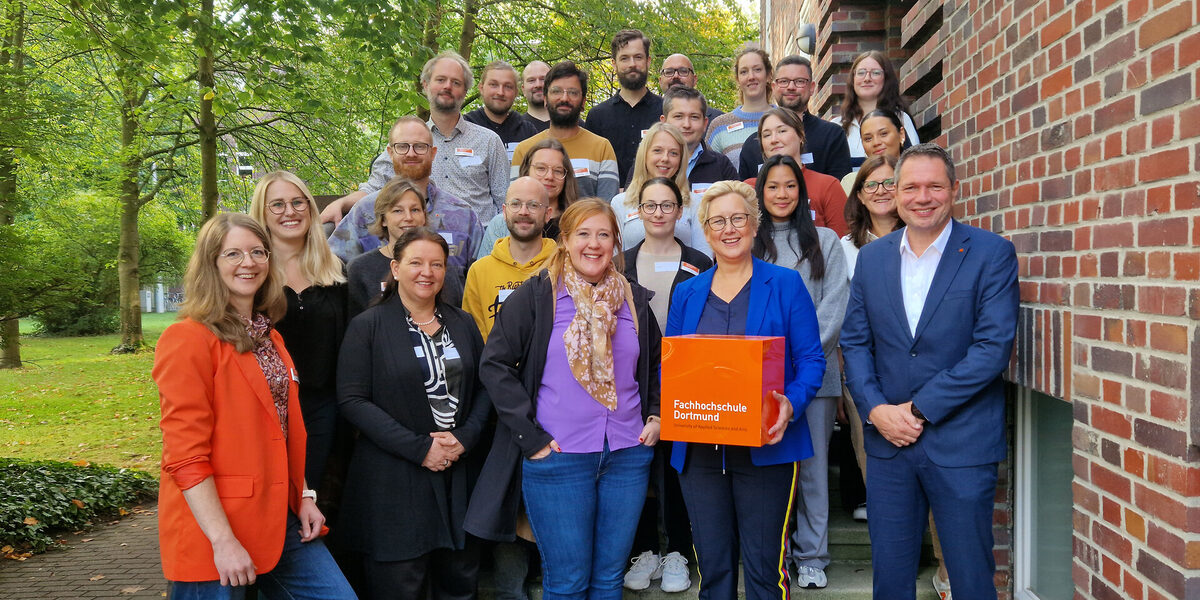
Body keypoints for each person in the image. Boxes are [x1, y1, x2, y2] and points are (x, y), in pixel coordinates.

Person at [840, 143, 1019, 600]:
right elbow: (856, 343)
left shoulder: (991, 253)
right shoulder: (873, 259)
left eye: (935, 186)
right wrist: (877, 409)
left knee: (971, 576)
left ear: (954, 190)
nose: (923, 197)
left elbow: (992, 349)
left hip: (961, 442)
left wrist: (917, 411)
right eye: (912, 187)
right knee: (892, 577)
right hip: (888, 446)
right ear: (896, 193)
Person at [464, 199, 663, 599]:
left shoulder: (634, 300)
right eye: (583, 234)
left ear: (615, 243)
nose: (594, 244)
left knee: (609, 580)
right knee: (568, 582)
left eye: (603, 234)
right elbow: (495, 364)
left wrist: (656, 416)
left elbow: (658, 364)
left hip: (627, 453)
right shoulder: (537, 296)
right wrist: (530, 437)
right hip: (559, 457)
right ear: (565, 240)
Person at [154, 213, 356, 599]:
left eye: (257, 252)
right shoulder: (188, 339)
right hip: (213, 532)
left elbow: (282, 429)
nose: (248, 263)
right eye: (233, 254)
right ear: (210, 264)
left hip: (280, 517)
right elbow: (184, 456)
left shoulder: (270, 338)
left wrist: (305, 495)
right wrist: (222, 540)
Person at [665, 181, 825, 600]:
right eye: (718, 220)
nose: (729, 228)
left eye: (738, 218)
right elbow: (675, 365)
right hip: (700, 451)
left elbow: (811, 361)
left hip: (767, 448)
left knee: (763, 571)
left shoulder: (786, 284)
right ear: (706, 229)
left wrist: (792, 401)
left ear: (755, 225)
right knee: (713, 573)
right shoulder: (687, 292)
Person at [336, 227, 491, 600]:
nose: (427, 272)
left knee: (459, 582)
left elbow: (486, 388)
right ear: (396, 267)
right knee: (401, 586)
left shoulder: (463, 323)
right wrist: (420, 448)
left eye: (436, 264)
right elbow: (352, 400)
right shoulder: (367, 327)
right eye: (416, 262)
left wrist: (464, 438)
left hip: (458, 477)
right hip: (394, 481)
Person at [751, 154, 848, 589]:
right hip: (760, 378)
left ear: (801, 191)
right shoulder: (749, 240)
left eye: (790, 185)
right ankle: (777, 551)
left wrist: (801, 363)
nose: (782, 194)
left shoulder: (825, 240)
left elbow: (834, 307)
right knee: (768, 467)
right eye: (773, 186)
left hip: (815, 377)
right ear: (761, 192)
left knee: (812, 467)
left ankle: (812, 555)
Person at [619, 176, 711, 593]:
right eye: (650, 205)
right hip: (631, 376)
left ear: (680, 210)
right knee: (635, 461)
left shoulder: (699, 261)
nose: (658, 213)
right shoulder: (620, 262)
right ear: (637, 210)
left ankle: (677, 550)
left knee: (677, 464)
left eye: (667, 205)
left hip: (684, 376)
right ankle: (644, 549)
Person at [248, 171, 349, 497]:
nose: (289, 211)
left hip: (323, 410)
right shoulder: (250, 275)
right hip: (264, 410)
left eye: (297, 202)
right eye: (276, 204)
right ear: (261, 213)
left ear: (310, 208)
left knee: (312, 497)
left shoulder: (336, 270)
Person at [325, 52, 509, 225]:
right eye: (440, 80)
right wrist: (340, 204)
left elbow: (505, 202)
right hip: (419, 246)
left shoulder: (488, 141)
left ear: (466, 90)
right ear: (425, 85)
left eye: (456, 82)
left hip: (477, 247)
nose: (447, 86)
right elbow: (374, 187)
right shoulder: (408, 144)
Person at [328, 116, 483, 288]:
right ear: (390, 152)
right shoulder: (365, 210)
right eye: (402, 146)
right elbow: (331, 264)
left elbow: (480, 280)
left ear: (433, 153)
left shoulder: (463, 215)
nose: (411, 153)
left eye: (420, 146)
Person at [346, 178, 465, 315]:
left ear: (424, 216)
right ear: (383, 219)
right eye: (398, 211)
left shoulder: (443, 269)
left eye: (415, 210)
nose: (408, 217)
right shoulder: (360, 269)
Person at [462, 177, 557, 340]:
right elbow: (474, 339)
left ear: (548, 214)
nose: (523, 212)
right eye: (516, 204)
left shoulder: (563, 266)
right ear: (504, 212)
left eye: (533, 205)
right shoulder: (479, 271)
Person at [510, 61, 620, 201]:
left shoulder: (602, 148)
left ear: (583, 102)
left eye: (573, 93)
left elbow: (607, 207)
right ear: (545, 99)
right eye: (556, 91)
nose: (564, 98)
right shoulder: (524, 149)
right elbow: (516, 204)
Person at [738, 55, 852, 181]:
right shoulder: (753, 144)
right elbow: (746, 196)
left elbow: (839, 188)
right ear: (774, 87)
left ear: (812, 87)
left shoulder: (832, 135)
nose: (791, 87)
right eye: (784, 81)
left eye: (799, 81)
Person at [610, 122, 708, 255]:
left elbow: (704, 258)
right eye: (657, 150)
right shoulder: (620, 202)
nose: (665, 158)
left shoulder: (695, 202)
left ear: (681, 160)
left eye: (673, 153)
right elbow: (614, 259)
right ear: (644, 155)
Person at [476, 137, 579, 260]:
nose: (549, 176)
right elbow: (485, 271)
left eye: (558, 171)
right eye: (541, 168)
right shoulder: (500, 224)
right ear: (527, 170)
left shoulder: (577, 223)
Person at [584, 29, 663, 186]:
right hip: (608, 205)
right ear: (614, 64)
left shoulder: (666, 111)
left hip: (659, 204)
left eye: (638, 57)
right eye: (625, 58)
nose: (632, 64)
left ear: (648, 61)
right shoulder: (597, 116)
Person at [753, 107, 849, 236]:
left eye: (781, 131)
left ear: (801, 136)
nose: (773, 139)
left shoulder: (827, 186)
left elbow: (842, 242)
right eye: (766, 135)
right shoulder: (749, 188)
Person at [831, 51, 921, 170]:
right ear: (853, 79)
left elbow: (915, 163)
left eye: (875, 73)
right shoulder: (836, 126)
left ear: (886, 78)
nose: (867, 78)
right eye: (861, 73)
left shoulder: (901, 118)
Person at [705, 47, 773, 166]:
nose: (751, 76)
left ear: (768, 75)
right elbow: (708, 172)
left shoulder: (787, 120)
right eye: (744, 72)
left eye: (757, 69)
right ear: (737, 79)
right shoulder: (719, 127)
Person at [660, 86, 738, 190]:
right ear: (664, 121)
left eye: (694, 117)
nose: (686, 125)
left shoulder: (721, 166)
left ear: (705, 124)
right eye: (678, 116)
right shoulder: (651, 163)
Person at [465, 61, 541, 161]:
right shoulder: (466, 127)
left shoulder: (528, 132)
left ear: (516, 92)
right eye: (494, 85)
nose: (500, 92)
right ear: (481, 88)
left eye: (508, 86)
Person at [840, 109, 910, 194]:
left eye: (883, 134)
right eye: (868, 138)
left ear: (901, 134)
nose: (876, 142)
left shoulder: (921, 175)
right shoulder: (851, 183)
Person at [658, 53, 723, 121]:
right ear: (660, 81)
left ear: (694, 80)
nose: (676, 76)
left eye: (683, 71)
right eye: (669, 72)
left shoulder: (718, 121)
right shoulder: (647, 116)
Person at [522, 61, 551, 130]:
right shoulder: (513, 129)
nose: (538, 85)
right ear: (523, 90)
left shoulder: (575, 125)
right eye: (531, 80)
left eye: (543, 79)